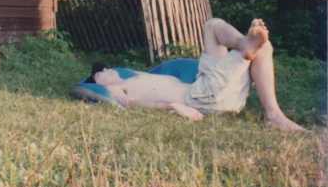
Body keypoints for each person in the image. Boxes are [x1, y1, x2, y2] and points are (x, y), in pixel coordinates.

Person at [91, 18, 304, 131]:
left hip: (208, 90)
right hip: (203, 96)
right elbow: (120, 100)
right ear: (98, 80)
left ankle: (245, 45)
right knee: (256, 45)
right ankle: (273, 115)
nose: (108, 70)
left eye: (107, 68)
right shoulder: (114, 89)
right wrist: (175, 107)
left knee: (221, 30)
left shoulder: (134, 77)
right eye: (102, 72)